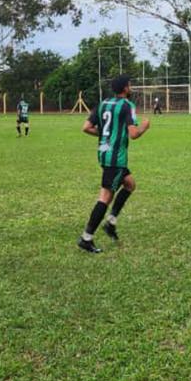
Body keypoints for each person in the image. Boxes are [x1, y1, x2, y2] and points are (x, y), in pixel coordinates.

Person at [79, 75, 150, 253]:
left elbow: (86, 127)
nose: (131, 87)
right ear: (125, 88)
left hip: (104, 154)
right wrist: (145, 126)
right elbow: (133, 134)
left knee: (130, 184)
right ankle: (86, 238)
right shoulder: (127, 105)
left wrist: (106, 134)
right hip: (115, 158)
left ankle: (111, 222)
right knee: (105, 197)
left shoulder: (103, 103)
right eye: (130, 85)